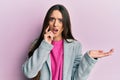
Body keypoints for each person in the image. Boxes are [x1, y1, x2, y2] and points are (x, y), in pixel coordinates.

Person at [22, 4, 114, 80]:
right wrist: (45, 45)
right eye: (52, 19)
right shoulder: (38, 44)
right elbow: (29, 73)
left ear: (64, 24)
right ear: (47, 22)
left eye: (60, 20)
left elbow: (77, 78)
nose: (55, 24)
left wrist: (89, 58)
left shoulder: (75, 46)